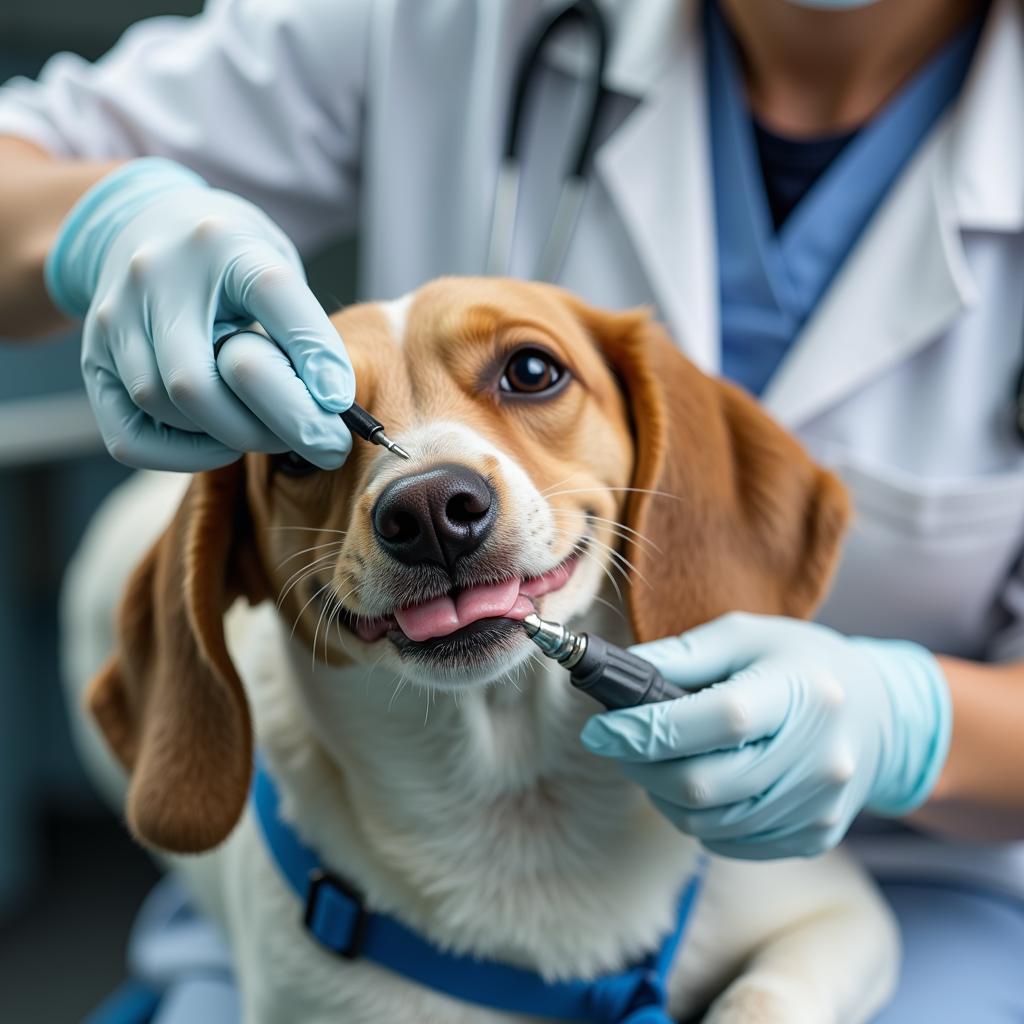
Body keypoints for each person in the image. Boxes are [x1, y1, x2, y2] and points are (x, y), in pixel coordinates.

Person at [2, 0, 1023, 1019]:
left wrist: (914, 725)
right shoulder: (439, 20)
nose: (424, 496)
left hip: (923, 862)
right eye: (323, 447)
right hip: (348, 868)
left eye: (527, 372)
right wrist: (106, 222)